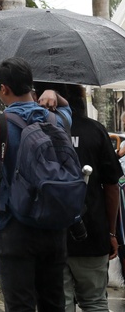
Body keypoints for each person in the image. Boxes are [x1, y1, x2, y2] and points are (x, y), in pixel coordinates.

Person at [0, 58, 73, 312]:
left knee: (19, 305)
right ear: (29, 85)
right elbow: (68, 108)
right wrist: (54, 94)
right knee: (54, 303)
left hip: (14, 226)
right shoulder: (58, 120)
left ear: (3, 89)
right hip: (54, 225)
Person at [37, 81, 122, 312]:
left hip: (48, 233)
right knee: (95, 302)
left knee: (60, 304)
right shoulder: (94, 130)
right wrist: (111, 232)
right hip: (92, 233)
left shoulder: (35, 130)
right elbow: (112, 184)